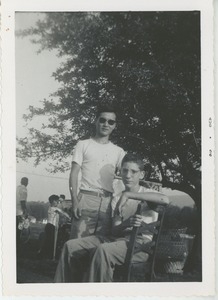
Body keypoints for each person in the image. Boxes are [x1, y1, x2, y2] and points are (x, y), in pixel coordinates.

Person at [54, 153, 169, 282]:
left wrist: (129, 195)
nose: (128, 175)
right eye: (124, 170)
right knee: (70, 246)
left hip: (140, 246)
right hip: (116, 240)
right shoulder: (117, 198)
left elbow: (165, 199)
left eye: (133, 171)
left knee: (103, 251)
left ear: (141, 174)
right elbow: (115, 231)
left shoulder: (147, 193)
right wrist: (126, 223)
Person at [69, 105, 125, 238]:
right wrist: (75, 201)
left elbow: (123, 179)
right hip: (86, 198)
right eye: (102, 120)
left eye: (111, 122)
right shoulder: (83, 144)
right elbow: (74, 174)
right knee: (77, 244)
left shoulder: (119, 151)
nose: (106, 124)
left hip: (107, 203)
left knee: (99, 245)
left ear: (114, 125)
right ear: (96, 121)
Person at [38, 194, 71, 259]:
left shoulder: (50, 208)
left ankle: (45, 253)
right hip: (51, 226)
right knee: (51, 240)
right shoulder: (54, 209)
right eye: (56, 201)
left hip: (49, 226)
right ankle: (47, 254)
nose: (57, 203)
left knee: (49, 240)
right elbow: (63, 212)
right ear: (53, 201)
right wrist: (69, 217)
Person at [16, 177, 29, 246]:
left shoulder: (17, 188)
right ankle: (17, 243)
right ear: (26, 182)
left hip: (14, 211)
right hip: (19, 212)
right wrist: (25, 211)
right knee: (19, 229)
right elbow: (22, 201)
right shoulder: (24, 189)